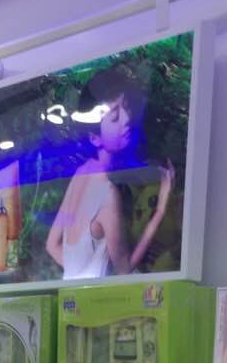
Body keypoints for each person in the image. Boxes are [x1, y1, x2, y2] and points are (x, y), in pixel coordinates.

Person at [45, 64, 174, 280]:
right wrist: (160, 210)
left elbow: (52, 245)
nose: (126, 120)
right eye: (115, 118)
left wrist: (80, 269)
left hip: (73, 291)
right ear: (94, 138)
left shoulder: (81, 173)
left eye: (127, 109)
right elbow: (124, 268)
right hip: (95, 298)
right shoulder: (107, 194)